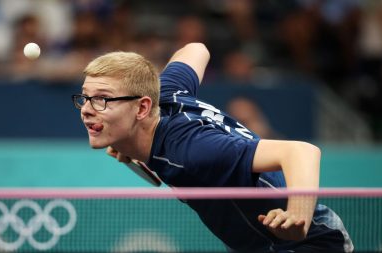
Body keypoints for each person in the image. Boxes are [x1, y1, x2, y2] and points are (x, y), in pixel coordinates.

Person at [72, 43, 353, 252]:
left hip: (309, 243)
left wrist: (298, 218)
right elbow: (196, 48)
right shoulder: (166, 92)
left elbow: (301, 152)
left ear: (143, 107)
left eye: (103, 99)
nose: (86, 110)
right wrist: (132, 149)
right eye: (85, 98)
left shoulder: (193, 149)